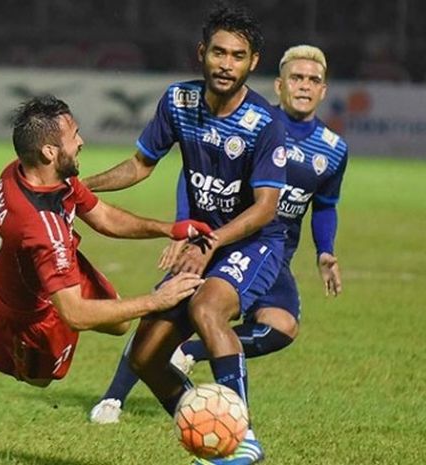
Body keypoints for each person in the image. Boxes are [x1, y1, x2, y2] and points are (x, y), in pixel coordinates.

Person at [90, 45, 348, 429]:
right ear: (279, 84)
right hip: (216, 237)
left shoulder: (332, 150)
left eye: (313, 80)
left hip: (267, 247)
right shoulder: (252, 122)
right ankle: (116, 396)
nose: (305, 86)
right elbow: (195, 174)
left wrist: (325, 252)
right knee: (167, 315)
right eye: (297, 77)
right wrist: (184, 226)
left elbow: (324, 205)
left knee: (279, 326)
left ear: (324, 90)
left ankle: (219, 403)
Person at [82, 5, 285, 464]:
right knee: (147, 356)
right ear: (202, 53)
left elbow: (266, 207)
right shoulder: (178, 102)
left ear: (253, 62)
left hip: (251, 244)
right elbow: (139, 165)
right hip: (202, 242)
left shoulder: (263, 124)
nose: (225, 64)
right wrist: (81, 186)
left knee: (207, 307)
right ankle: (212, 430)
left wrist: (210, 241)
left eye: (237, 55)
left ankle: (242, 438)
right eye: (218, 52)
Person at [0, 95, 212, 388]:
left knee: (119, 324)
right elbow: (74, 314)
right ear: (49, 151)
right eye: (74, 135)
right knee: (39, 379)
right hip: (28, 315)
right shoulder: (40, 227)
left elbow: (102, 216)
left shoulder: (27, 172)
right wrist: (156, 301)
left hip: (55, 264)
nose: (81, 142)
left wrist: (169, 228)